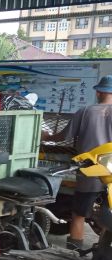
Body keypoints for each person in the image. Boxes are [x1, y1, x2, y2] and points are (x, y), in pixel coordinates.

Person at [47, 75, 112, 250]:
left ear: (98, 92)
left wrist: (47, 136)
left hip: (90, 170)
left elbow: (63, 138)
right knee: (109, 212)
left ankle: (74, 250)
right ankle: (104, 250)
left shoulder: (84, 112)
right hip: (110, 172)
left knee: (79, 213)